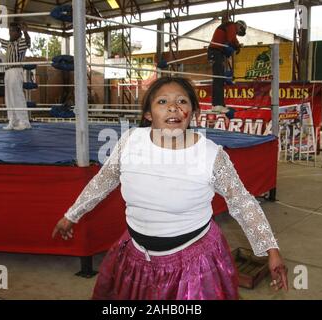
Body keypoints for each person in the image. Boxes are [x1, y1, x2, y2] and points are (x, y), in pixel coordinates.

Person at [52, 77, 288, 300]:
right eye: (162, 101)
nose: (173, 107)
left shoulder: (210, 155)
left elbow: (243, 202)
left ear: (193, 113)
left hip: (194, 265)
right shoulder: (130, 141)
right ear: (148, 113)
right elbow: (103, 181)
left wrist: (271, 250)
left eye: (182, 101)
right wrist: (72, 214)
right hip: (135, 256)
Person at [0, 22, 31, 130]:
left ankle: (24, 122)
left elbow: (28, 43)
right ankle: (13, 121)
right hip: (8, 71)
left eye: (12, 31)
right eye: (9, 31)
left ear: (18, 32)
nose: (10, 33)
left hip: (16, 70)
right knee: (9, 97)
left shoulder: (21, 43)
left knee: (17, 96)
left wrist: (25, 31)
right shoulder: (8, 44)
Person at [208, 20, 247, 113]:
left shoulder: (230, 27)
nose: (237, 33)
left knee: (220, 79)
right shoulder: (231, 26)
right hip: (215, 52)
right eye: (239, 31)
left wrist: (236, 46)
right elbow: (231, 39)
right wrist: (236, 46)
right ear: (239, 25)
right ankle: (217, 105)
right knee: (218, 79)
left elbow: (231, 39)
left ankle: (219, 104)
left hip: (217, 52)